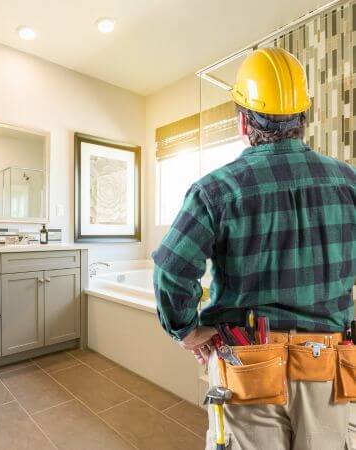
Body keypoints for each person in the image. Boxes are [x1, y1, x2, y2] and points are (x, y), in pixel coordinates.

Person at [152, 47, 355, 450]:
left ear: (244, 121)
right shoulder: (349, 183)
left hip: (247, 363)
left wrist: (188, 331)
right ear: (303, 119)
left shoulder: (216, 189)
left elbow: (171, 270)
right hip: (330, 365)